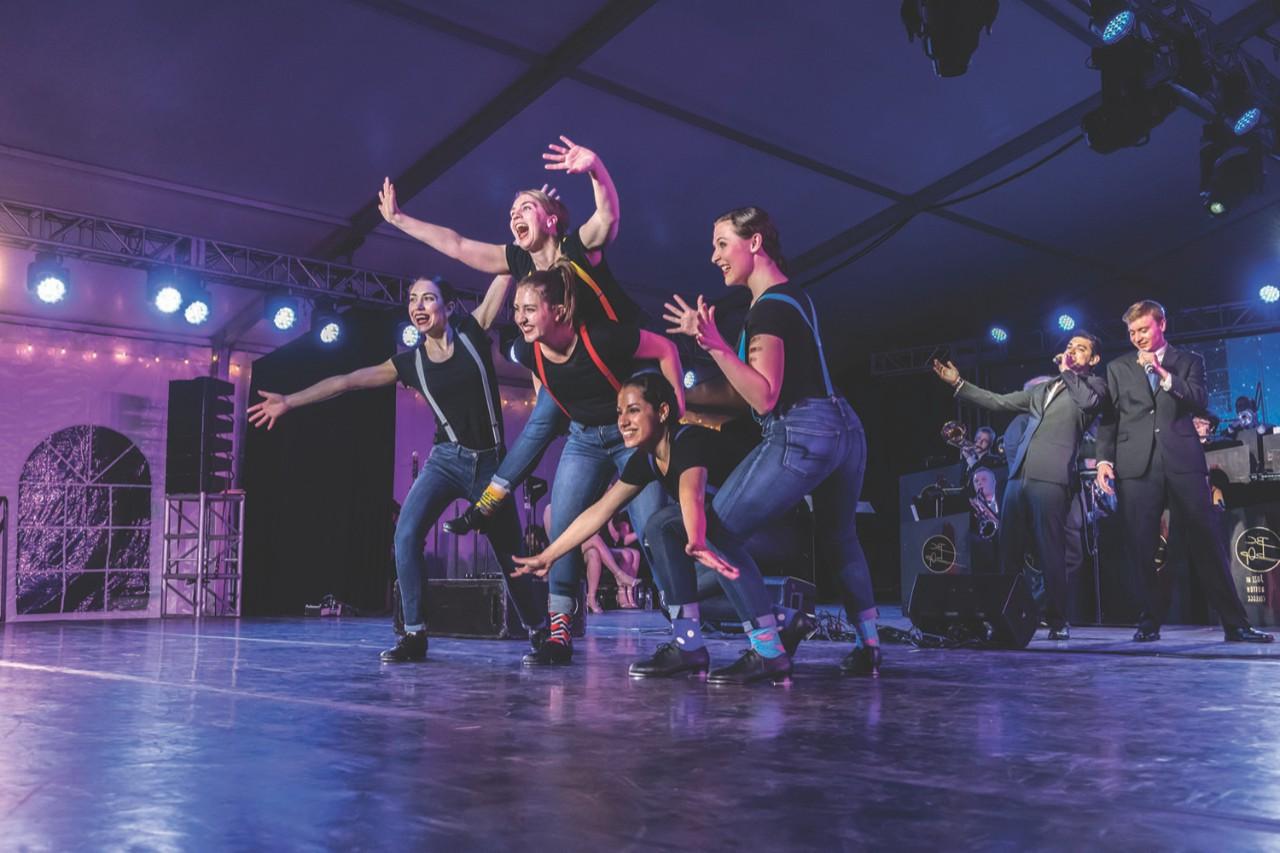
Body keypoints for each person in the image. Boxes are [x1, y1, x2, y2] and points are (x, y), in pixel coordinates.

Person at [246, 274, 546, 661]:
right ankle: (415, 634)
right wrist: (289, 401)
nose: (418, 307)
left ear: (449, 307)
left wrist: (519, 245)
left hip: (492, 465)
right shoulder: (410, 362)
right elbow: (347, 381)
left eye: (428, 299)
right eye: (412, 300)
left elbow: (503, 271)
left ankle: (540, 631)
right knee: (405, 535)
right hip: (445, 460)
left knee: (512, 556)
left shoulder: (473, 331)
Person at [378, 137, 641, 534]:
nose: (514, 215)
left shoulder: (576, 248)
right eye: (512, 211)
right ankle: (488, 504)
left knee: (645, 514)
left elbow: (607, 218)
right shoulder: (519, 262)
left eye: (526, 208)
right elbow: (457, 244)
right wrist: (399, 220)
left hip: (621, 370)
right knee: (539, 422)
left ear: (550, 221)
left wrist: (594, 169)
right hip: (571, 378)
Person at [665, 206, 880, 683]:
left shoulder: (769, 307)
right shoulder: (793, 297)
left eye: (722, 243)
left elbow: (764, 397)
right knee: (840, 537)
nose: (714, 256)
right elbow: (750, 393)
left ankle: (768, 650)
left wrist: (715, 345)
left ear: (755, 241)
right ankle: (870, 647)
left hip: (804, 431)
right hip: (846, 428)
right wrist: (688, 401)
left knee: (718, 535)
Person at [514, 373, 816, 678]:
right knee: (674, 594)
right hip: (727, 534)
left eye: (633, 410)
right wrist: (549, 555)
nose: (623, 421)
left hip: (775, 528)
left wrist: (696, 540)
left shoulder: (689, 442)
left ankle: (766, 651)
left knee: (668, 540)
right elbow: (598, 512)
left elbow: (691, 494)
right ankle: (758, 627)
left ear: (662, 411)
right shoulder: (647, 459)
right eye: (619, 412)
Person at [507, 266, 685, 666]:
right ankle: (558, 637)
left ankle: (687, 639)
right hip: (584, 440)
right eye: (516, 308)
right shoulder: (524, 349)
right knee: (566, 530)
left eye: (530, 308)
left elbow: (666, 350)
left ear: (559, 310)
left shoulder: (601, 337)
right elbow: (537, 372)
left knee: (655, 534)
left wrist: (678, 414)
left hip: (630, 439)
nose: (520, 317)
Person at [1094, 300, 1272, 644]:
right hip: (1136, 465)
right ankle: (1149, 623)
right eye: (1131, 332)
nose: (1137, 338)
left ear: (1162, 324)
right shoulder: (1117, 368)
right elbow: (1109, 419)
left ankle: (1235, 624)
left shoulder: (1189, 362)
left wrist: (1164, 376)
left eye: (1143, 329)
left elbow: (1198, 399)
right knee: (1142, 545)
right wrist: (1104, 460)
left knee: (1207, 540)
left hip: (1182, 462)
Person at [932, 332, 1108, 640]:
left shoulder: (1094, 386)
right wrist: (959, 384)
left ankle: (1057, 620)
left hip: (1051, 477)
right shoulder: (1044, 391)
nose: (1072, 351)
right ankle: (1006, 617)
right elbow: (999, 401)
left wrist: (1068, 372)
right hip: (1018, 477)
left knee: (1051, 551)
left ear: (1092, 360)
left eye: (1080, 349)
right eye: (1069, 347)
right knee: (1009, 552)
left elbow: (1088, 403)